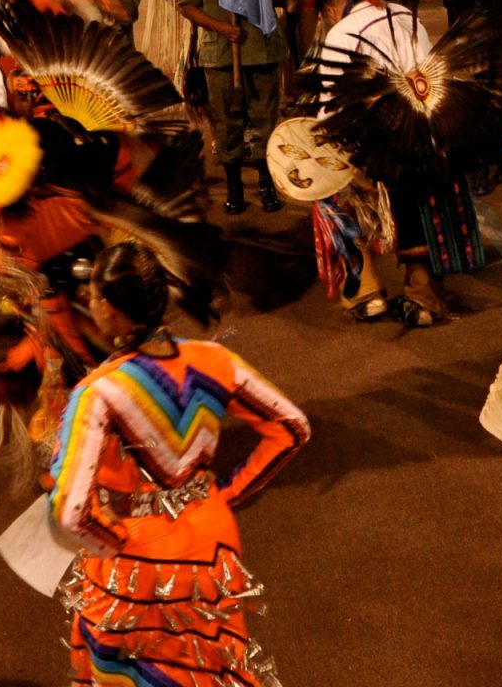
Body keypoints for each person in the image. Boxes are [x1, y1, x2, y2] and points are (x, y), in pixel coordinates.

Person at [48, 240, 309, 687]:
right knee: (207, 666)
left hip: (138, 558)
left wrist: (110, 540)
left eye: (91, 295)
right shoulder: (216, 360)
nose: (87, 303)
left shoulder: (99, 393)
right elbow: (292, 427)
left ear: (110, 309)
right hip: (209, 539)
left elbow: (71, 512)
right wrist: (225, 494)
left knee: (136, 671)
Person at [176, 0, 288, 213]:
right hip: (222, 57)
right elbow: (187, 5)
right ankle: (235, 187)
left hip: (261, 51)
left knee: (266, 122)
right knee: (226, 125)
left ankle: (268, 185)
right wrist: (221, 28)